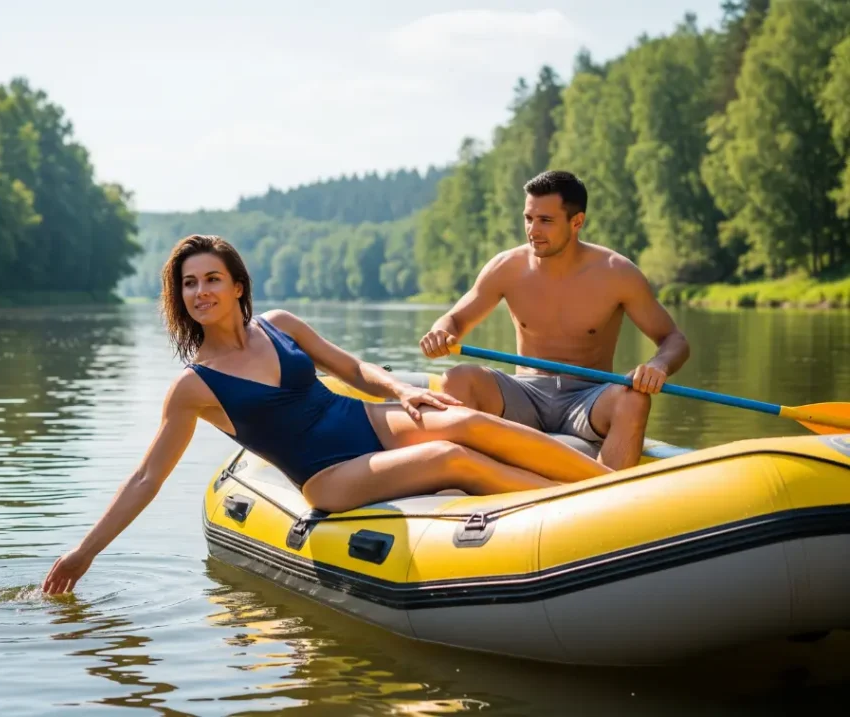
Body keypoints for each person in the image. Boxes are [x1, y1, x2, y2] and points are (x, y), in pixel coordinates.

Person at [42, 233, 610, 595]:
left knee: (466, 421)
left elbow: (355, 369)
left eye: (212, 278)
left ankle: (614, 488)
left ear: (238, 285)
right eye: (189, 284)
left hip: (361, 419)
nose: (201, 291)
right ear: (180, 297)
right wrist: (84, 551)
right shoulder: (193, 387)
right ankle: (566, 514)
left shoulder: (280, 325)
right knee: (451, 456)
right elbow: (146, 478)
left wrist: (400, 390)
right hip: (326, 472)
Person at [420, 171, 690, 470]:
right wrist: (440, 333)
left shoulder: (617, 273)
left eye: (545, 220)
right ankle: (456, 483)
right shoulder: (507, 267)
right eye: (528, 218)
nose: (533, 230)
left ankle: (607, 496)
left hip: (589, 397)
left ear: (577, 222)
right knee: (458, 378)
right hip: (525, 393)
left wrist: (657, 366)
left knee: (635, 399)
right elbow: (455, 320)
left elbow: (674, 339)